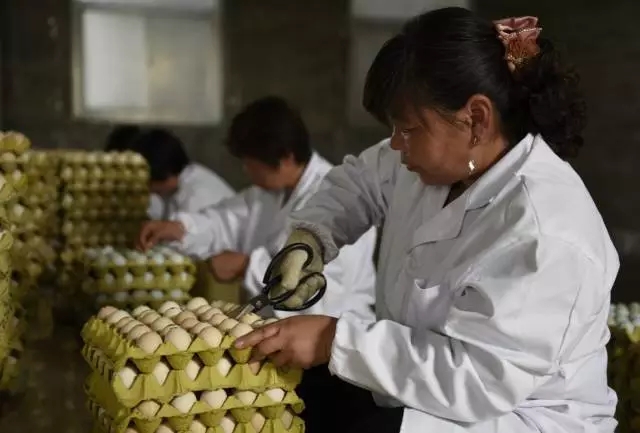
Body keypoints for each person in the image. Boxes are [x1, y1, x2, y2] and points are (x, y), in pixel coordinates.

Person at [233, 8, 619, 433]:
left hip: (514, 416)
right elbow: (358, 183)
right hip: (418, 385)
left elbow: (478, 380)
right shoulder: (431, 160)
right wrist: (310, 239)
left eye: (408, 128)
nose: (395, 144)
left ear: (476, 119)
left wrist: (332, 339)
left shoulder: (545, 231)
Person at [137, 96, 377, 321]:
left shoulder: (338, 199)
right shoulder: (268, 194)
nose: (246, 171)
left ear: (285, 158)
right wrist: (181, 228)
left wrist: (246, 265)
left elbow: (318, 289)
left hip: (333, 334)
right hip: (276, 330)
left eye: (251, 164)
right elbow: (225, 220)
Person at [131, 128, 235, 221]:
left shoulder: (197, 198)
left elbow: (186, 239)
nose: (149, 190)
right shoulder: (177, 186)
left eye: (149, 184)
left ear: (166, 174)